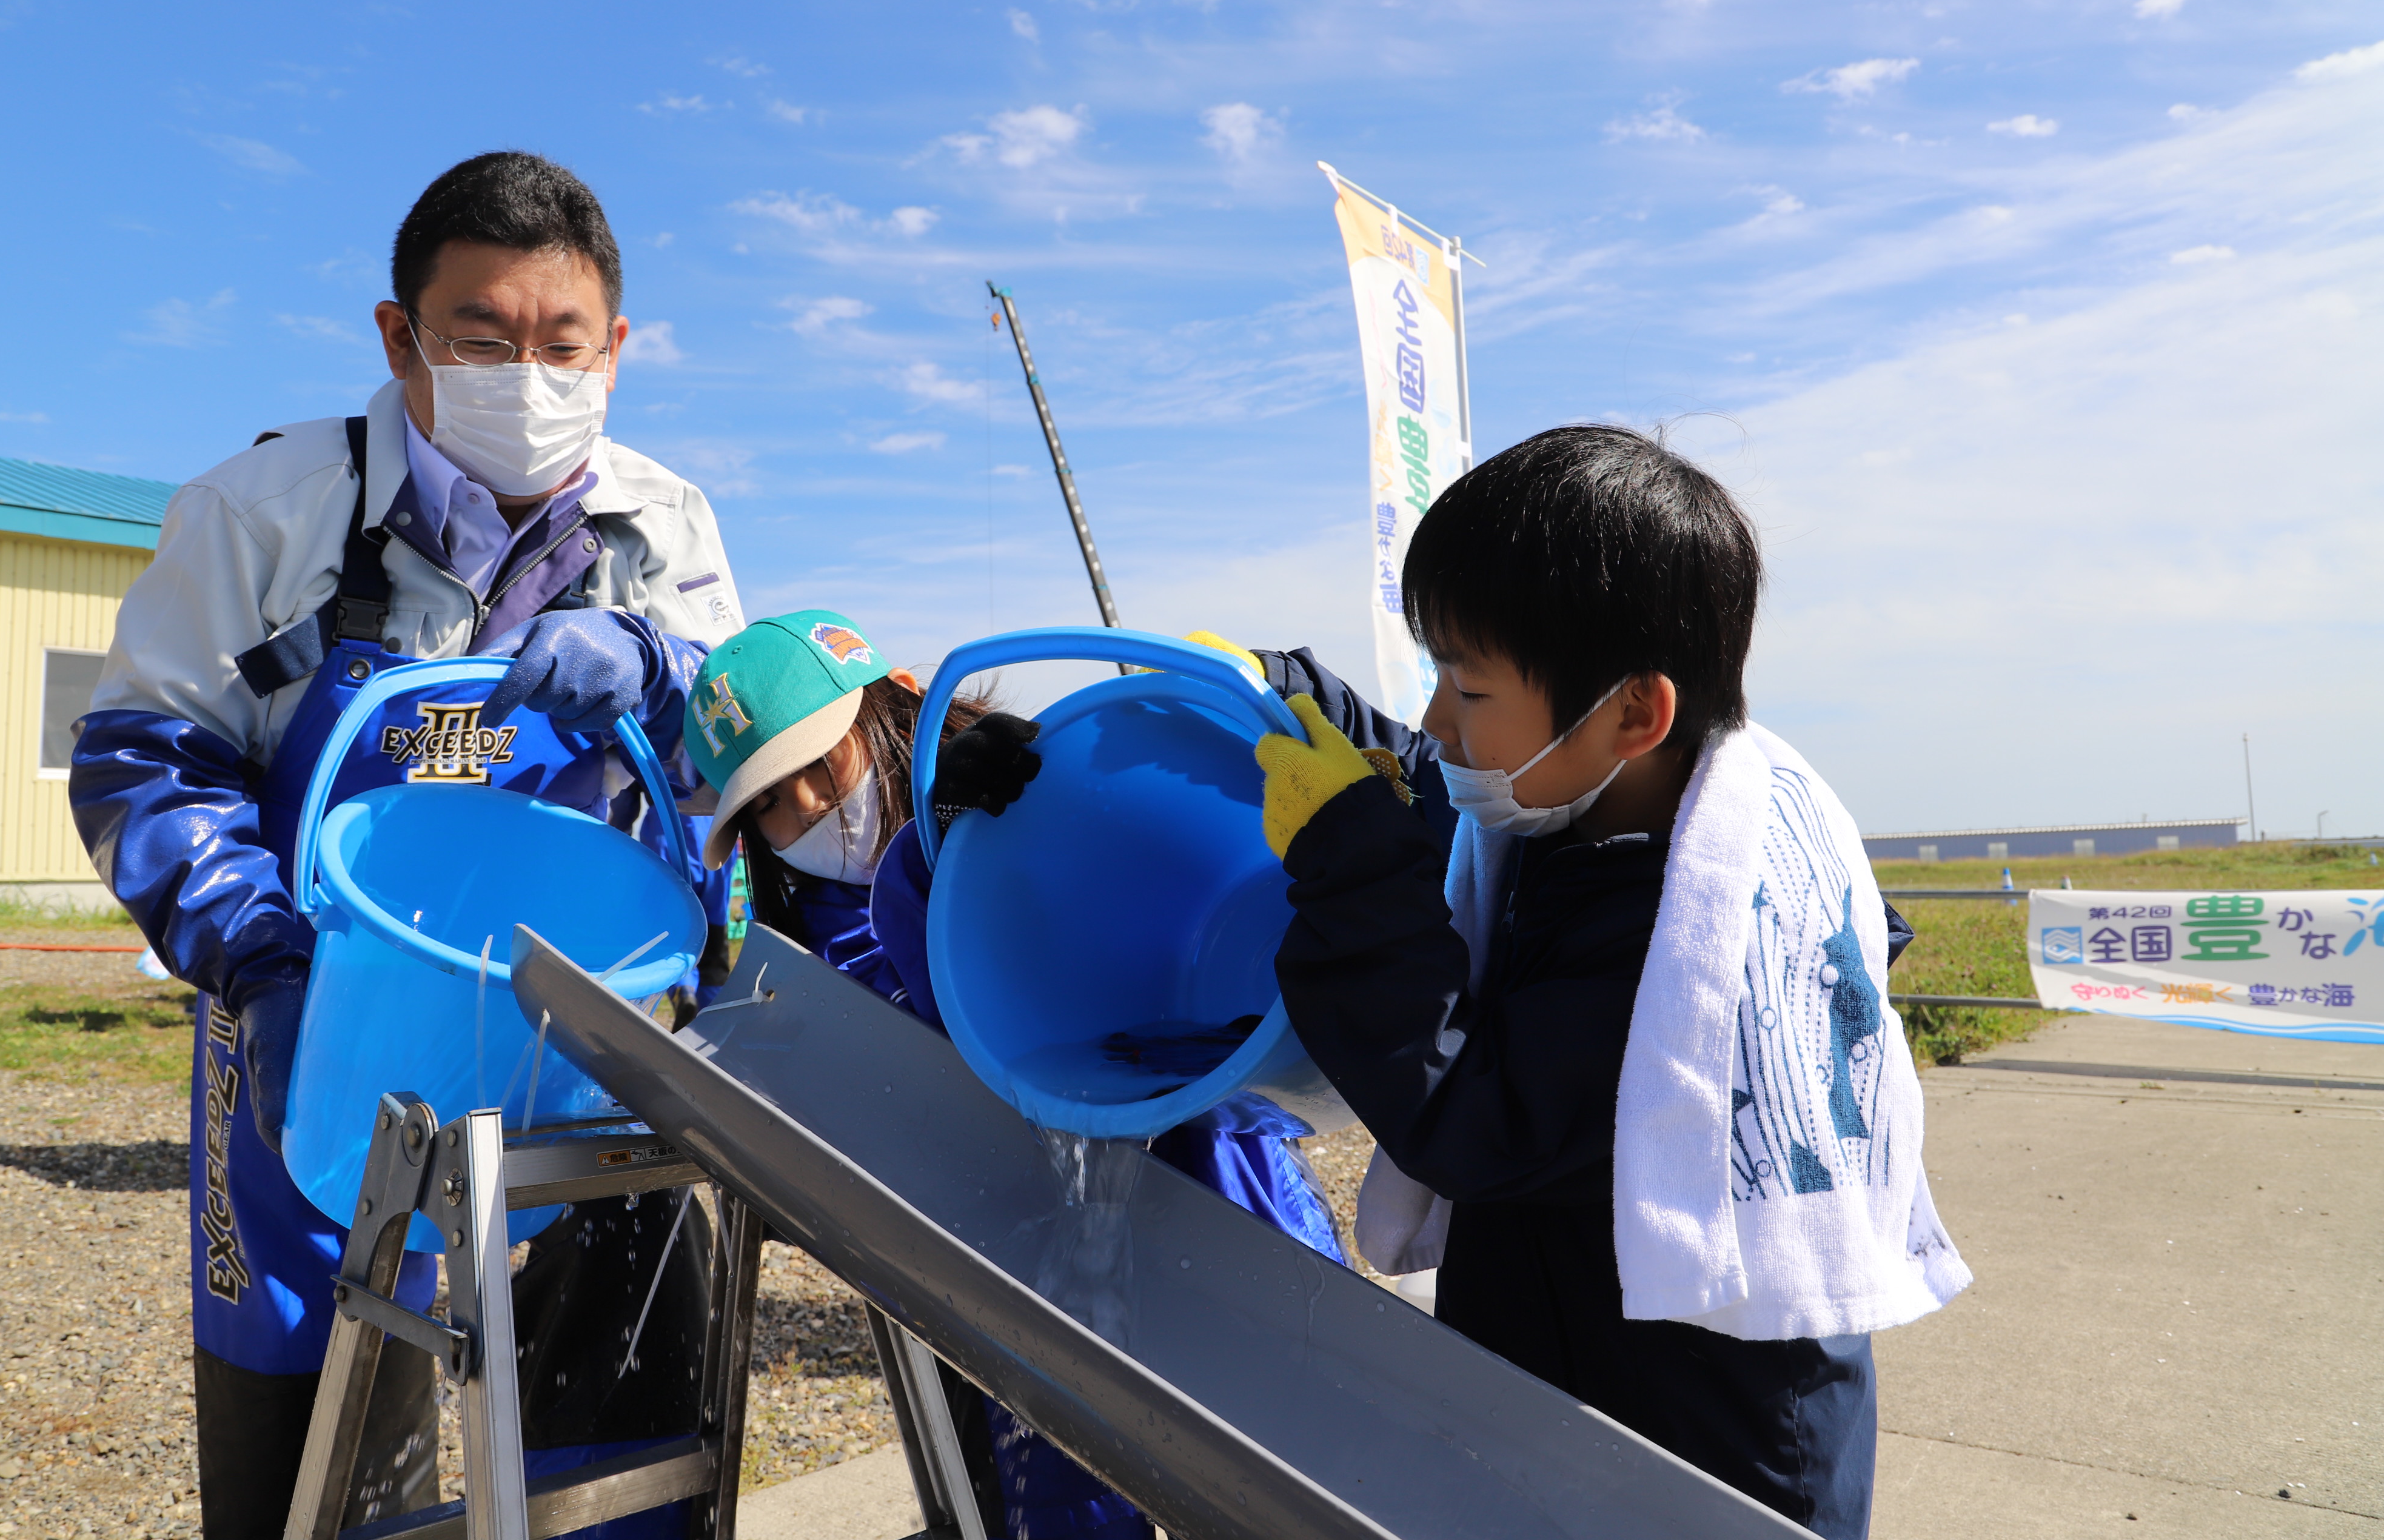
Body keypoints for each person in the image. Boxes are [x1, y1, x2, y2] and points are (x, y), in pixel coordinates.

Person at [69, 153, 745, 1540]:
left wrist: (666, 669)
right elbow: (146, 754)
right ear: (400, 336)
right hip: (319, 1004)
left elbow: (741, 758)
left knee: (620, 1379)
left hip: (581, 1014)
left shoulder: (663, 524)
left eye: (564, 347)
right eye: (482, 342)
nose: (529, 378)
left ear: (615, 348)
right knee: (305, 1377)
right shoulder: (265, 512)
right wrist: (259, 967)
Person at [1242, 425, 1969, 1540]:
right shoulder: (1598, 815)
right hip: (1575, 1390)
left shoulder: (1705, 947)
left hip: (1700, 1461)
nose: (1438, 723)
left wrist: (1350, 866)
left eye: (1466, 685)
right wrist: (1307, 708)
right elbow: (1453, 769)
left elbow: (1470, 1116)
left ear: (1635, 712)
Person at [680, 610, 1347, 1540]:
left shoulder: (1021, 790)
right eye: (765, 806)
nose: (805, 812)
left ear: (892, 710)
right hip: (1023, 1286)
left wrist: (965, 848)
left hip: (1221, 1189)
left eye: (821, 768)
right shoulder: (801, 964)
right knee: (1076, 1501)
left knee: (1305, 1465)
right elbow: (909, 1070)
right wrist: (926, 873)